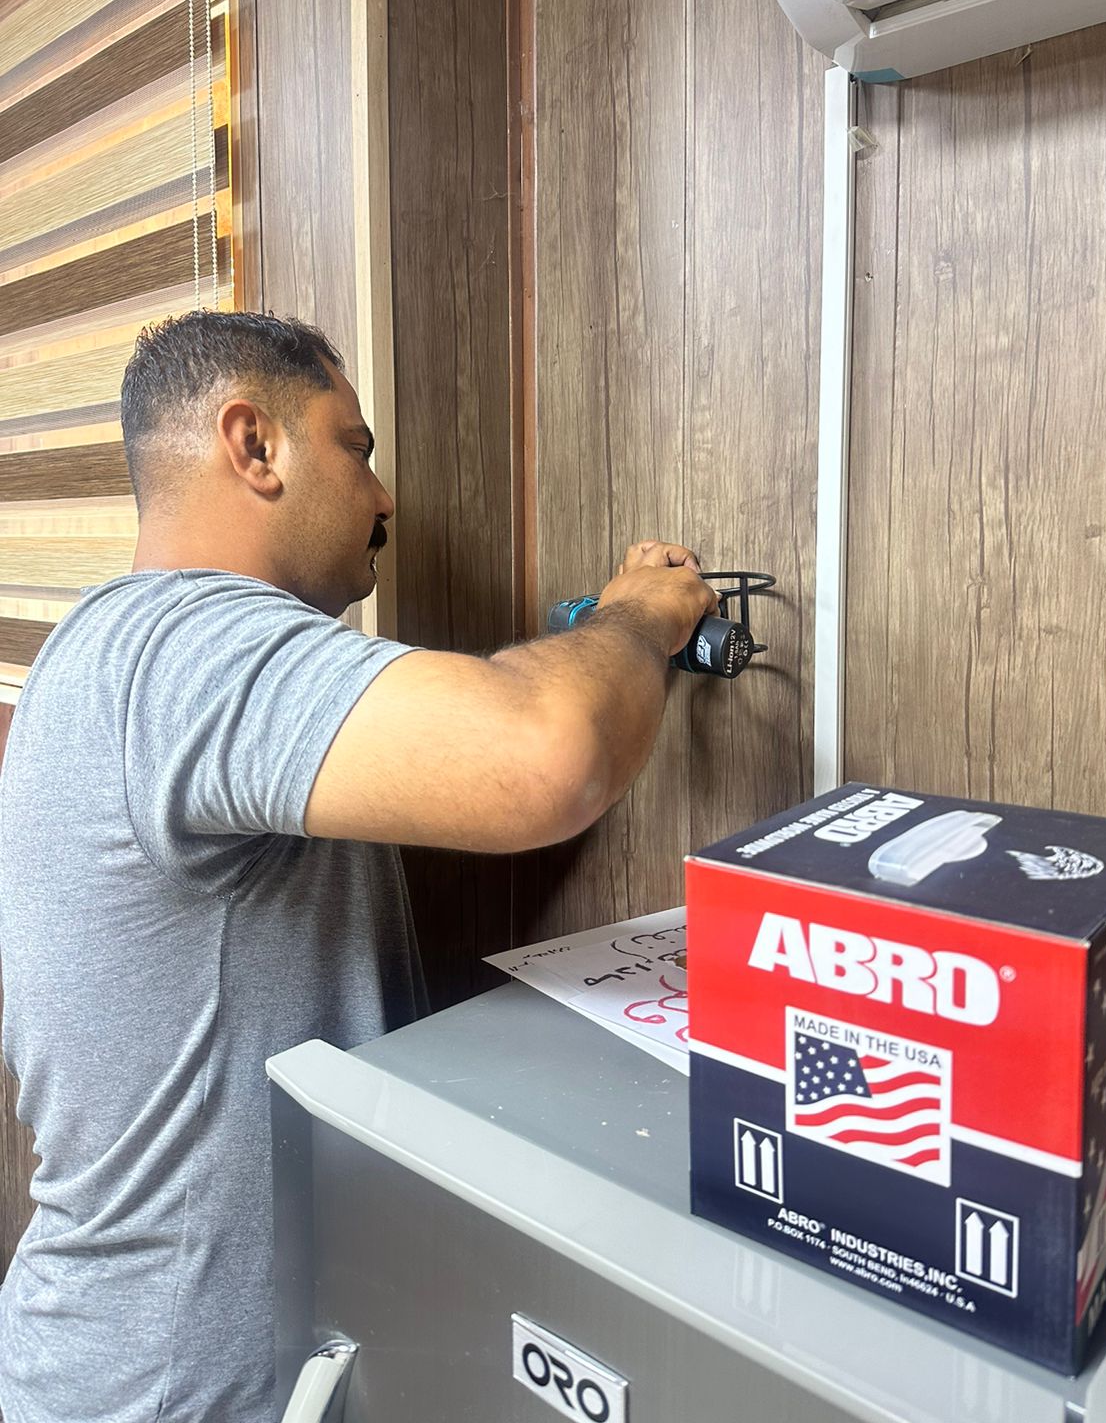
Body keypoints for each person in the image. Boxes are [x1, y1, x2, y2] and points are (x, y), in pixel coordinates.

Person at [0, 311, 717, 1423]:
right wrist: (635, 620)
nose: (383, 498)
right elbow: (547, 753)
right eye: (357, 447)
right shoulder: (182, 646)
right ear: (254, 445)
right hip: (168, 1390)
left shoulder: (105, 657)